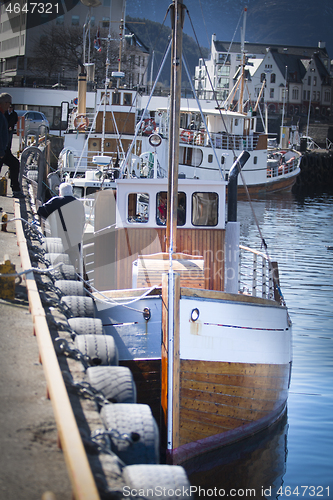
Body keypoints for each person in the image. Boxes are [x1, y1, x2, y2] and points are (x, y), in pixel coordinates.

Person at [37, 183, 85, 274]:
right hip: (76, 241)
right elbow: (83, 222)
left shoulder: (56, 201)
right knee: (72, 267)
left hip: (60, 240)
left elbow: (41, 211)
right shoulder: (79, 204)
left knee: (60, 266)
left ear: (60, 192)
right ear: (72, 192)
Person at [0, 93, 23, 198]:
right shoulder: (1, 115)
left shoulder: (5, 114)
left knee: (15, 164)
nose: (9, 106)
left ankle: (16, 188)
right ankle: (16, 189)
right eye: (8, 104)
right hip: (1, 150)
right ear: (5, 103)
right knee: (14, 164)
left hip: (5, 149)